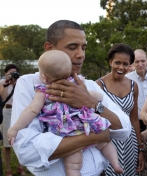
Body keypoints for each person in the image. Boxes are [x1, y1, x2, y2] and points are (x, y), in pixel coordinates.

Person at [10, 20, 131, 176]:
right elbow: (27, 151)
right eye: (72, 47)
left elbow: (123, 129)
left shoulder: (88, 85)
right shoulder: (29, 85)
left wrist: (91, 103)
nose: (80, 54)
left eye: (83, 48)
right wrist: (97, 136)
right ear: (49, 48)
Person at [96, 43, 144, 175]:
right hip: (107, 142)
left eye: (125, 64)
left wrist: (140, 148)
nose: (121, 67)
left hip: (130, 142)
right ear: (110, 62)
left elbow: (134, 119)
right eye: (117, 62)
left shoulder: (134, 86)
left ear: (130, 65)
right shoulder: (98, 85)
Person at [0, 64, 26, 176]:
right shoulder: (2, 83)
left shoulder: (21, 82)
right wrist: (7, 83)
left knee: (21, 140)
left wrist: (16, 83)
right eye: (10, 73)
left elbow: (23, 97)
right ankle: (8, 169)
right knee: (7, 143)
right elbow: (4, 98)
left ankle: (21, 167)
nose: (13, 75)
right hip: (7, 111)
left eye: (14, 72)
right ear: (6, 74)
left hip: (19, 112)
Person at [126, 49, 147, 132]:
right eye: (137, 62)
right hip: (135, 123)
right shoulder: (127, 79)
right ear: (133, 63)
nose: (140, 64)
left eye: (142, 61)